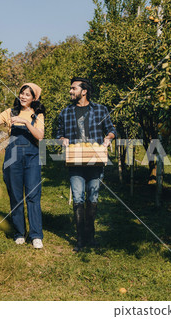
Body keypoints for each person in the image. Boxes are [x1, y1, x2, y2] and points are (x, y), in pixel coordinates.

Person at [0, 83, 45, 249]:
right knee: (16, 195)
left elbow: (40, 136)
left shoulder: (37, 114)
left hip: (32, 158)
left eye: (27, 95)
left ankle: (36, 235)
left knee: (33, 195)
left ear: (34, 98)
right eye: (22, 93)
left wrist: (25, 122)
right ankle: (19, 233)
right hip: (13, 158)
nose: (23, 97)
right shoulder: (10, 112)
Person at [56, 77, 116, 252]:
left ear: (84, 91)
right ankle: (81, 239)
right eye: (70, 88)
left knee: (93, 198)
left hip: (95, 160)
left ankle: (91, 236)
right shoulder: (65, 112)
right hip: (75, 161)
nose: (70, 91)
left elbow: (111, 129)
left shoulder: (100, 109)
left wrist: (108, 138)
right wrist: (62, 139)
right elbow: (59, 133)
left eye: (73, 88)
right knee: (78, 198)